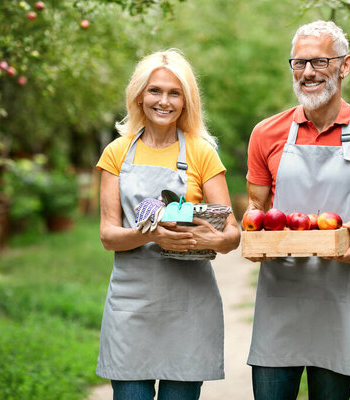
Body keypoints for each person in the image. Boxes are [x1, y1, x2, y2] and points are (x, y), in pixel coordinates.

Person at [245, 20, 350, 399]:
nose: (307, 73)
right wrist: (255, 239)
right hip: (280, 297)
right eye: (298, 63)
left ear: (345, 65)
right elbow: (256, 207)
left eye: (319, 62)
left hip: (340, 298)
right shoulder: (266, 133)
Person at [96, 49, 240, 400]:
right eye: (154, 91)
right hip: (131, 306)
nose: (164, 101)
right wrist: (150, 233)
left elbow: (232, 233)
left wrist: (213, 238)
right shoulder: (117, 153)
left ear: (186, 101)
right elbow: (108, 235)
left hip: (188, 305)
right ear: (139, 96)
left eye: (174, 93)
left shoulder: (202, 152)